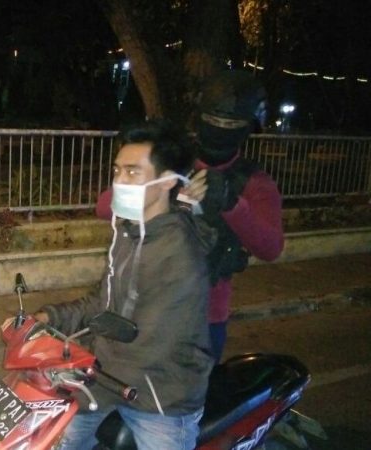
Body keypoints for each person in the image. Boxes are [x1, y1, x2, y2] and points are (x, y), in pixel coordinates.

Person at [37, 120, 215, 450]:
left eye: (133, 172)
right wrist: (47, 319)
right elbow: (103, 301)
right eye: (117, 170)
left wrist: (73, 361)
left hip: (160, 396)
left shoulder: (179, 250)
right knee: (49, 440)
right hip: (109, 380)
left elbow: (151, 341)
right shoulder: (129, 232)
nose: (119, 181)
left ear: (167, 181)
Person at [96, 70, 284, 362]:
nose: (221, 129)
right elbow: (105, 207)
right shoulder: (171, 163)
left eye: (232, 124)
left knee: (189, 389)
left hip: (204, 316)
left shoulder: (255, 182)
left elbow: (271, 248)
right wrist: (167, 189)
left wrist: (231, 204)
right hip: (142, 303)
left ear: (249, 126)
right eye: (213, 120)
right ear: (199, 117)